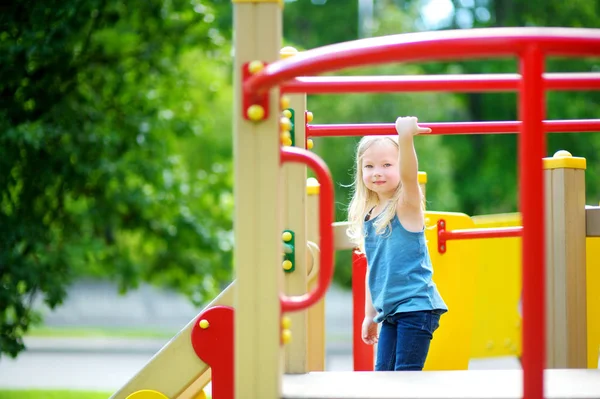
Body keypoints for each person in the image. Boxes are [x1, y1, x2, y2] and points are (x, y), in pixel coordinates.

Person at [347, 116, 448, 371]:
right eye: (369, 166)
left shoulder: (405, 206)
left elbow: (409, 176)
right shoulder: (370, 215)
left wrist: (405, 138)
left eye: (386, 164)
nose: (377, 172)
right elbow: (374, 270)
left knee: (404, 379)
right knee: (384, 378)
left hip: (416, 307)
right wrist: (370, 315)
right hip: (390, 312)